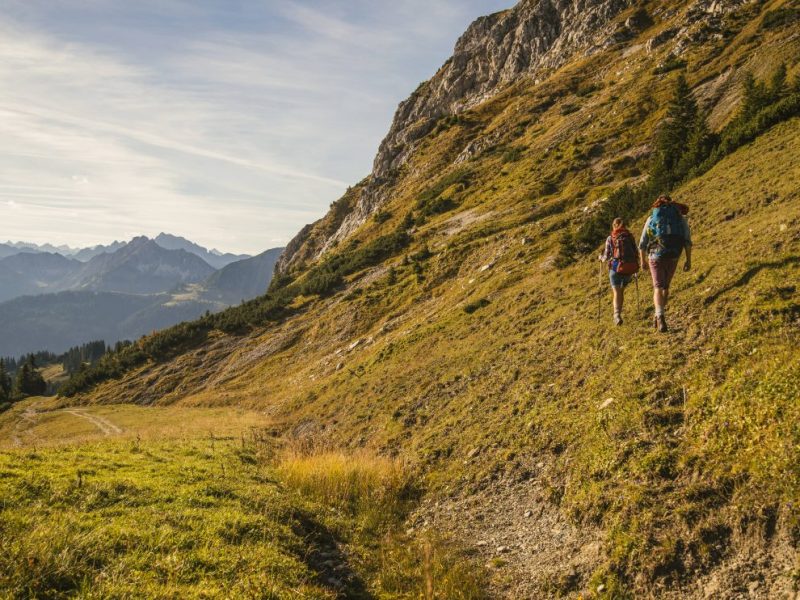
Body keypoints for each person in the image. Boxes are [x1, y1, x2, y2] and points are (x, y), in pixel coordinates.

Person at [639, 195, 692, 333]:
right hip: (673, 255)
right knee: (665, 287)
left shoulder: (651, 218)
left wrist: (642, 260)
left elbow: (643, 243)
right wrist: (688, 260)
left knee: (657, 287)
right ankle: (659, 313)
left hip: (655, 256)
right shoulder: (680, 218)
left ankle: (660, 315)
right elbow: (687, 241)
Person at [599, 217, 640, 326]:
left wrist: (600, 258)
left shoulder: (610, 238)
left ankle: (617, 315)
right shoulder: (630, 237)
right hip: (628, 268)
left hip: (615, 268)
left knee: (616, 292)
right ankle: (618, 313)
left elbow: (606, 256)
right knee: (621, 291)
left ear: (614, 226)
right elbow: (636, 252)